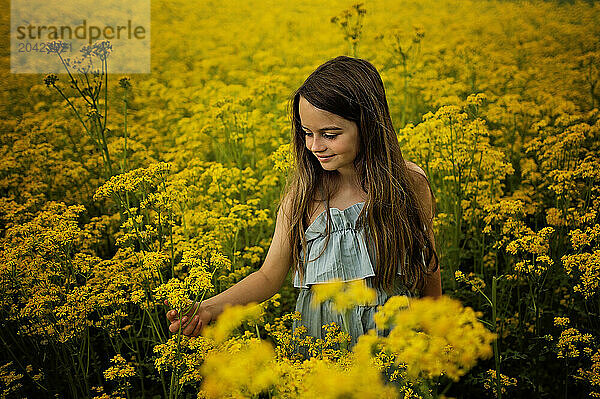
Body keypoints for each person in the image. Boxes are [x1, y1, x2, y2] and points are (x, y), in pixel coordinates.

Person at [165, 55, 442, 347]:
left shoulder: (409, 184)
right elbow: (269, 275)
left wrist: (437, 335)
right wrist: (208, 308)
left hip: (396, 341)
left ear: (369, 125)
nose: (314, 146)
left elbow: (428, 267)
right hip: (324, 346)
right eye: (307, 133)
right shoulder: (303, 197)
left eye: (330, 135)